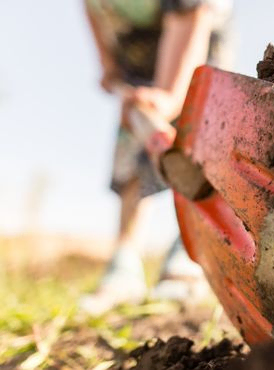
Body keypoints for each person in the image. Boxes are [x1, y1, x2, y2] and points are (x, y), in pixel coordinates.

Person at [80, 0, 233, 315]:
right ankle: (124, 265)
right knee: (131, 147)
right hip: (137, 51)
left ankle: (193, 255)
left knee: (198, 137)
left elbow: (190, 15)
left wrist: (169, 97)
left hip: (196, 37)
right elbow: (93, 11)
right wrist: (109, 66)